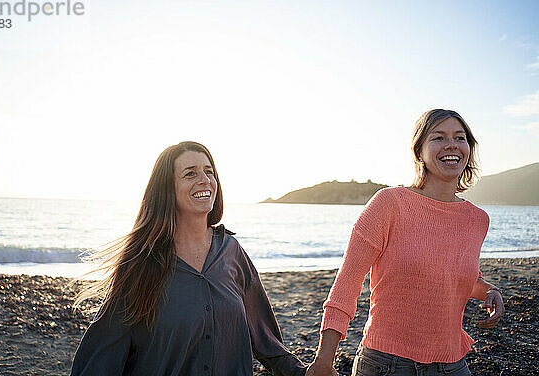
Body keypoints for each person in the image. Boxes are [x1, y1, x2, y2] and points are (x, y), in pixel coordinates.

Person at [71, 141, 306, 376]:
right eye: (190, 173)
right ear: (168, 188)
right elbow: (102, 354)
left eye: (209, 171)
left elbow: (264, 337)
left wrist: (302, 372)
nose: (204, 180)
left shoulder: (231, 251)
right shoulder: (141, 263)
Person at [306, 109, 505, 376]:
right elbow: (347, 282)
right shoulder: (389, 203)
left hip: (452, 363)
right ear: (419, 151)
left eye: (460, 138)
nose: (451, 145)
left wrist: (490, 291)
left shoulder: (478, 219)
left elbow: (452, 277)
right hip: (385, 364)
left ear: (468, 149)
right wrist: (324, 360)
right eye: (438, 137)